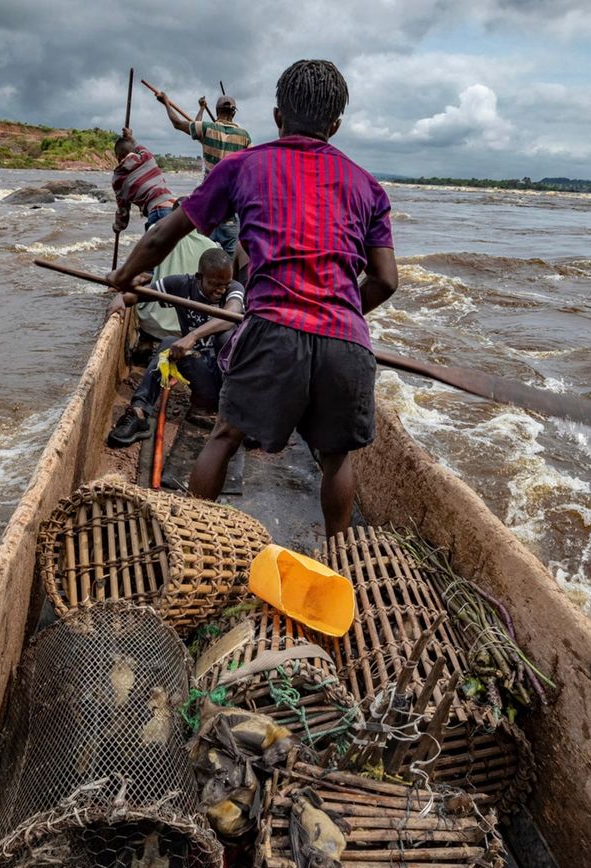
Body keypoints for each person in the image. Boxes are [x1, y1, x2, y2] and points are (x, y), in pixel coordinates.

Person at [108, 59, 400, 538]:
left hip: (270, 333)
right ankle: (340, 564)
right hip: (346, 341)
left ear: (278, 117)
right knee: (335, 457)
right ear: (335, 125)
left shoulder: (243, 166)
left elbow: (162, 236)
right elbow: (385, 281)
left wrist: (124, 276)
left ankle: (194, 543)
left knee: (225, 435)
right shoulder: (369, 186)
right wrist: (338, 316)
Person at [104, 248, 244, 447]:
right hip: (202, 376)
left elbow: (231, 315)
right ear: (199, 277)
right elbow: (139, 295)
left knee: (227, 337)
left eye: (225, 285)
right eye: (214, 284)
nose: (220, 290)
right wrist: (121, 298)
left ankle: (239, 414)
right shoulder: (182, 286)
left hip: (231, 385)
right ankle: (139, 411)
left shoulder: (234, 289)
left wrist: (193, 335)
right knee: (168, 344)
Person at [144, 80, 251, 262]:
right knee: (228, 264)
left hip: (207, 210)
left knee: (203, 259)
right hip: (229, 215)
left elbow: (178, 123)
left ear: (217, 112)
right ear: (234, 112)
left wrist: (166, 102)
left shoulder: (207, 128)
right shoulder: (244, 136)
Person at [110, 130, 178, 234]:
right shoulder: (148, 157)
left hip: (159, 211)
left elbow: (123, 211)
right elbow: (138, 146)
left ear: (118, 157)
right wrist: (130, 137)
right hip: (177, 209)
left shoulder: (118, 178)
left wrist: (118, 227)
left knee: (154, 249)